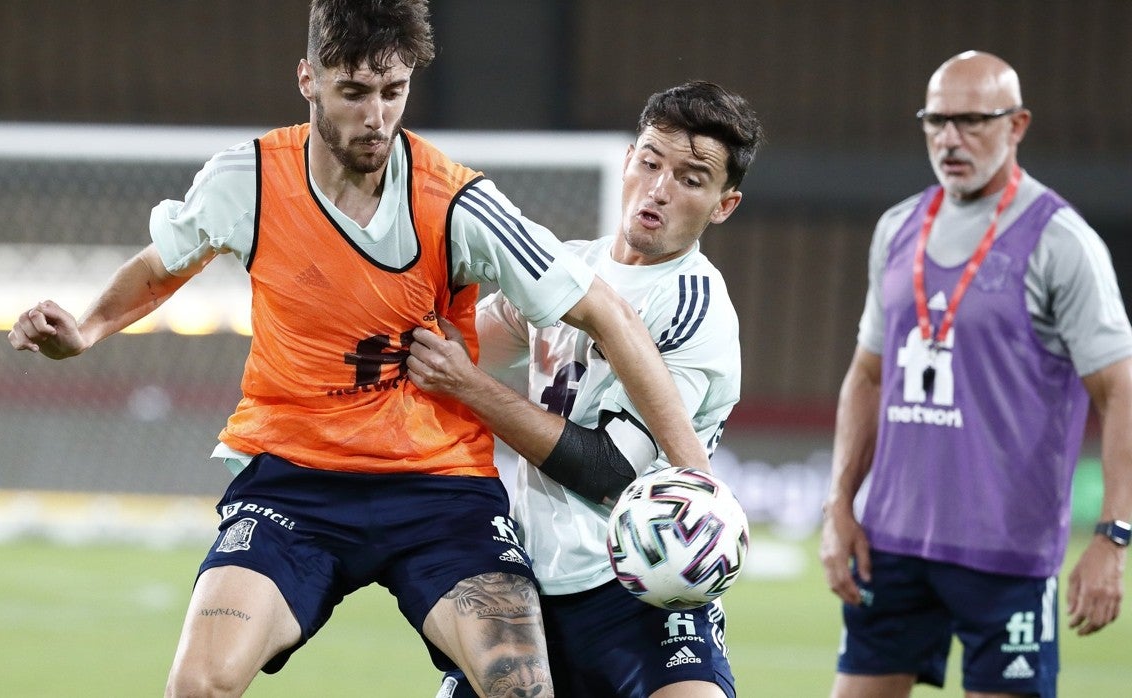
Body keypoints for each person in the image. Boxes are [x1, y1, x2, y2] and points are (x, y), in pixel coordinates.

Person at [6, 1, 713, 696]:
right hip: (295, 483)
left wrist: (696, 479)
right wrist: (88, 329)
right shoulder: (247, 181)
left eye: (392, 91)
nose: (376, 117)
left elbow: (609, 316)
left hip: (439, 489)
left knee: (522, 688)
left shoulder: (458, 203)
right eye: (354, 92)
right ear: (308, 79)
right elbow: (161, 266)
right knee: (198, 684)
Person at [407, 80, 764, 698]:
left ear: (723, 205)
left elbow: (609, 469)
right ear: (628, 161)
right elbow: (463, 348)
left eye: (691, 177)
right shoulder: (565, 270)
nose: (658, 188)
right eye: (651, 162)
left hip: (635, 590)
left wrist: (467, 386)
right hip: (526, 581)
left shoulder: (694, 306)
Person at [819, 50, 1132, 698]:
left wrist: (1113, 537)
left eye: (971, 122)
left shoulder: (1062, 242)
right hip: (892, 545)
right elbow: (867, 378)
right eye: (936, 122)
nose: (949, 139)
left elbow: (1120, 391)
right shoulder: (898, 227)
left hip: (1006, 558)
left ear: (1017, 125)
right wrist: (839, 506)